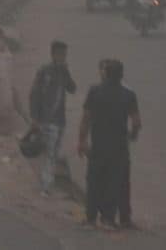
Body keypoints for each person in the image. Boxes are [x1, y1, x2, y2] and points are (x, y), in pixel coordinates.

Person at [77, 58, 141, 230]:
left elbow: (86, 119)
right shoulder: (128, 95)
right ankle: (109, 219)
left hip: (98, 145)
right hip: (119, 147)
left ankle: (91, 219)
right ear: (121, 76)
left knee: (94, 181)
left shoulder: (95, 91)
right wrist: (132, 136)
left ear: (105, 74)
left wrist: (82, 141)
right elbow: (136, 122)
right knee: (116, 181)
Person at [28, 40, 77, 196]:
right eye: (61, 54)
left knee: (54, 152)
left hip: (60, 120)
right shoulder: (44, 71)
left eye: (65, 54)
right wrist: (35, 118)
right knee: (49, 152)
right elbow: (34, 94)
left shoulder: (63, 71)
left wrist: (67, 72)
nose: (63, 57)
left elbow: (72, 89)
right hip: (46, 120)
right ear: (53, 54)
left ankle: (47, 182)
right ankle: (45, 186)